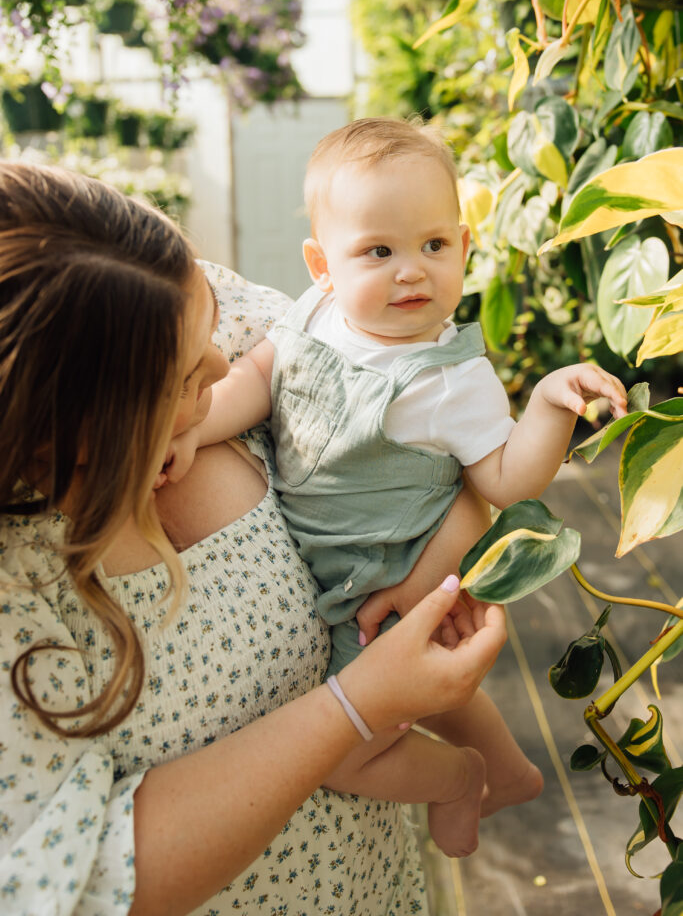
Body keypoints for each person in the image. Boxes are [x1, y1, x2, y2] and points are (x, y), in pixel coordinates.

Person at [0, 161, 509, 916]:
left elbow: (447, 448)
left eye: (203, 320)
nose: (219, 359)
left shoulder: (175, 310)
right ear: (72, 434)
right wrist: (359, 704)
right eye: (178, 381)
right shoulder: (20, 587)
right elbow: (72, 880)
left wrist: (434, 565)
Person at [168, 117, 629, 859]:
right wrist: (191, 427)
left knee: (348, 753)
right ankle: (508, 771)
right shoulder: (312, 318)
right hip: (324, 565)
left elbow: (508, 481)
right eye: (378, 251)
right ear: (322, 266)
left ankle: (457, 778)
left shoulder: (450, 377)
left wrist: (545, 403)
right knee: (432, 698)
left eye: (433, 246)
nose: (411, 271)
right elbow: (257, 378)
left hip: (379, 585)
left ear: (463, 248)